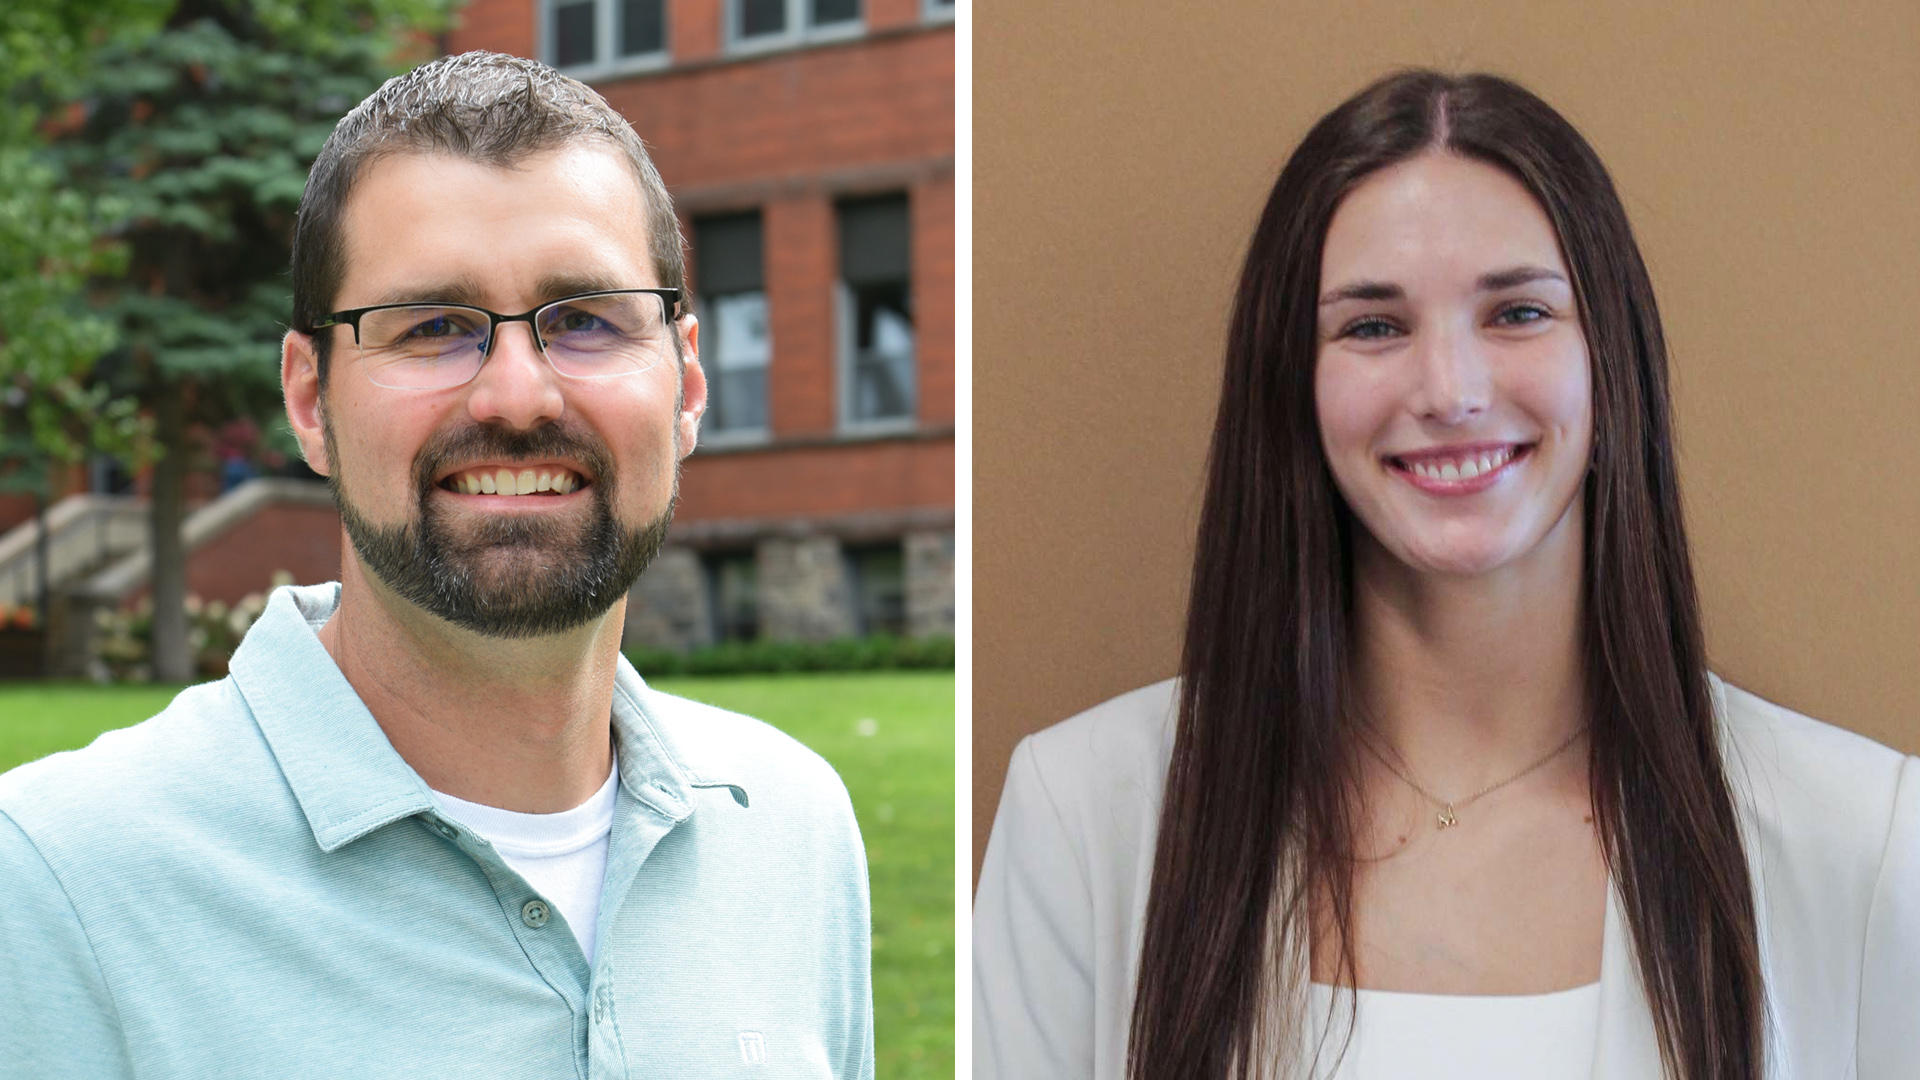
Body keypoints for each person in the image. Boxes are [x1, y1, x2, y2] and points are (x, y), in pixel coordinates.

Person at [972, 69, 1919, 1080]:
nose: (1451, 390)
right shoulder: (1084, 818)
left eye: (1517, 313)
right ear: (1292, 384)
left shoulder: (1862, 842)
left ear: (1613, 363)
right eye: (1374, 326)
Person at [0, 52, 873, 1079]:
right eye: (434, 328)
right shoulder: (55, 879)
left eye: (585, 319)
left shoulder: (791, 827)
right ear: (310, 400)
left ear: (684, 384)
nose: (518, 395)